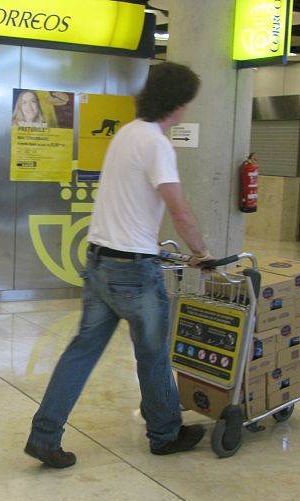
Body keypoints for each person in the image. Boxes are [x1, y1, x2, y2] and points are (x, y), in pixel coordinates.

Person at [24, 62, 213, 468]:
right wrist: (201, 252)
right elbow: (179, 210)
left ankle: (44, 436)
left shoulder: (126, 133)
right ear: (178, 104)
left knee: (80, 352)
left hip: (98, 262)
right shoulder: (157, 144)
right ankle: (165, 434)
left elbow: (130, 199)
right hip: (133, 271)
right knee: (154, 354)